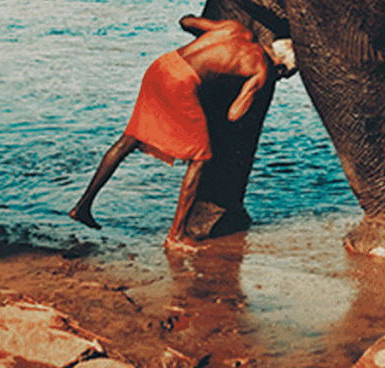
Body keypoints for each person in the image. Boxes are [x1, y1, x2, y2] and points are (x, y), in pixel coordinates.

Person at [69, 16, 274, 252]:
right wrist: (252, 92)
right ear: (282, 67)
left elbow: (186, 22)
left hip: (162, 66)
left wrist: (210, 51)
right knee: (200, 158)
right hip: (182, 82)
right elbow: (234, 114)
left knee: (128, 140)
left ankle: (82, 206)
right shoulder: (263, 69)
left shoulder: (235, 29)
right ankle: (176, 236)